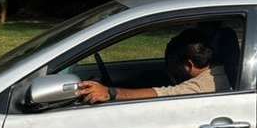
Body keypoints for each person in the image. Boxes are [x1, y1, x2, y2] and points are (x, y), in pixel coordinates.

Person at [77, 28, 230, 104]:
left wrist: (110, 92)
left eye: (172, 65)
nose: (169, 70)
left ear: (188, 65)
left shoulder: (202, 86)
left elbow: (164, 93)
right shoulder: (218, 69)